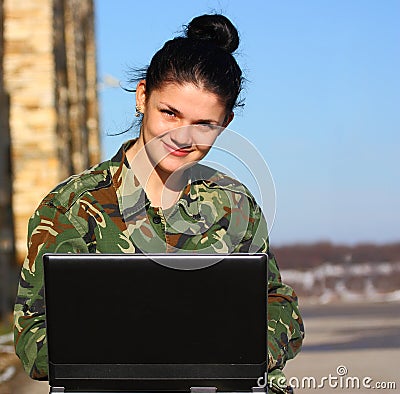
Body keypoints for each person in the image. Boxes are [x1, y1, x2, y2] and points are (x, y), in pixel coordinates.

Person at [13, 14, 304, 394]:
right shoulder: (72, 207)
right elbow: (32, 334)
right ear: (142, 97)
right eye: (170, 113)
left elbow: (279, 304)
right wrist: (143, 350)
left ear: (226, 122)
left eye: (204, 124)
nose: (183, 136)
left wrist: (239, 354)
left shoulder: (234, 205)